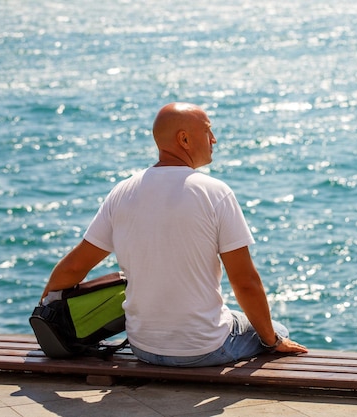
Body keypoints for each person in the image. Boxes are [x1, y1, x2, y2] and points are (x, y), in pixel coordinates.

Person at [41, 102, 308, 366]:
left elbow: (75, 266)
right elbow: (245, 282)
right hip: (205, 349)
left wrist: (46, 307)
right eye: (208, 131)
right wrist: (272, 341)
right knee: (276, 330)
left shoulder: (122, 192)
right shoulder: (215, 192)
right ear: (184, 139)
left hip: (142, 347)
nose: (214, 139)